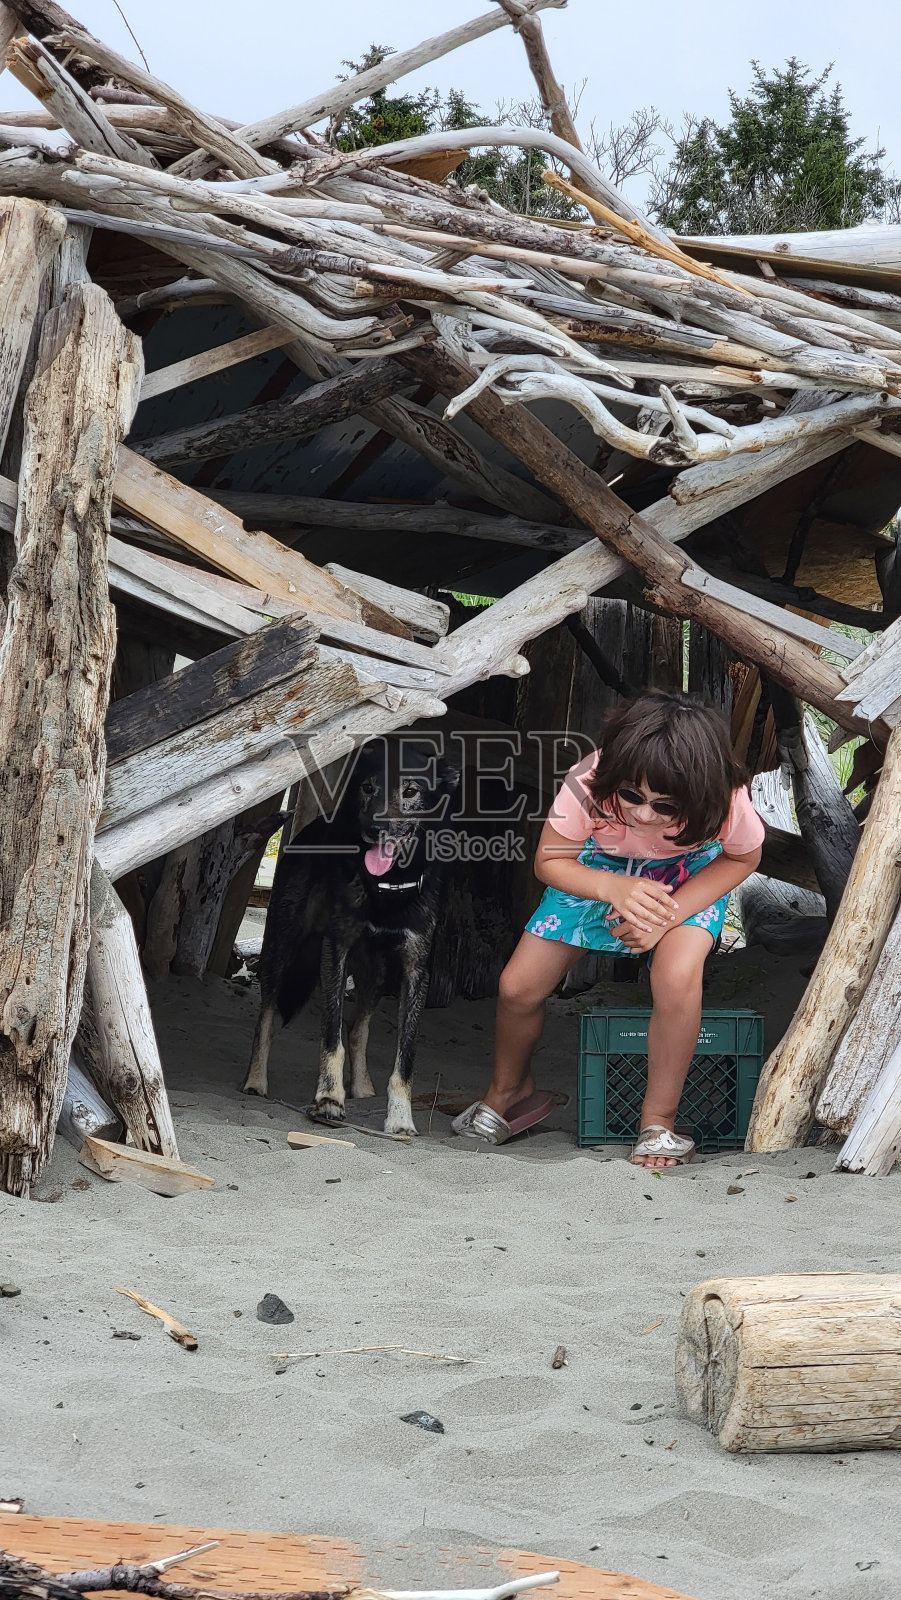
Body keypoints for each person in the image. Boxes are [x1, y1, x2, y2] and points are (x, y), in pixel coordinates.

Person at [452, 690, 764, 1167]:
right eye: (632, 796)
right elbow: (550, 861)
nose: (643, 815)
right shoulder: (589, 778)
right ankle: (510, 1090)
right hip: (594, 872)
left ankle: (658, 1121)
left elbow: (744, 856)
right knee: (517, 987)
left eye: (666, 806)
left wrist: (667, 916)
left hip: (687, 878)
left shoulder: (726, 795)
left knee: (677, 977)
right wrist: (613, 889)